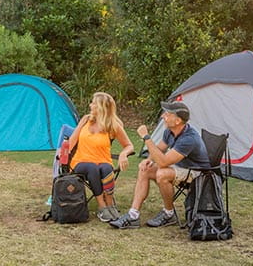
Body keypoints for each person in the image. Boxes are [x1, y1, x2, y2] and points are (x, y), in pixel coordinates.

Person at [110, 100, 210, 229]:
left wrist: (146, 137)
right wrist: (150, 160)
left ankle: (169, 214)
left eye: (167, 114)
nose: (163, 116)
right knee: (145, 169)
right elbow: (160, 149)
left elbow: (163, 162)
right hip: (181, 167)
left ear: (178, 121)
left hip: (198, 173)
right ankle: (133, 215)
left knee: (162, 174)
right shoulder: (169, 131)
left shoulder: (189, 138)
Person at [66, 92, 135, 222]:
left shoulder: (112, 126)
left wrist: (123, 154)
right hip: (80, 163)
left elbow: (129, 145)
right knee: (92, 168)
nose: (90, 105)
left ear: (101, 107)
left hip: (102, 161)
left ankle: (110, 203)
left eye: (93, 103)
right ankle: (102, 207)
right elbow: (70, 144)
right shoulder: (86, 120)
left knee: (106, 168)